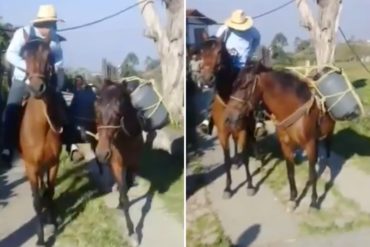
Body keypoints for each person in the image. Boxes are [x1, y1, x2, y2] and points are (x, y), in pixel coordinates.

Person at [1, 5, 66, 167]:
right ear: (38, 23)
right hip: (22, 79)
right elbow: (10, 54)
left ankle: (70, 143)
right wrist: (28, 67)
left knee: (61, 106)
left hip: (45, 80)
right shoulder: (22, 34)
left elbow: (59, 58)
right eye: (45, 23)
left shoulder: (54, 38)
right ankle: (7, 148)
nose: (47, 27)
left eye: (51, 23)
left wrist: (55, 69)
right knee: (11, 109)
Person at [200, 9, 265, 135]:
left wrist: (249, 53)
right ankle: (208, 118)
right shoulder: (224, 30)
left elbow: (256, 42)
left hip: (243, 67)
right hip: (227, 66)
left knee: (253, 88)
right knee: (217, 89)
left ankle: (258, 120)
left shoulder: (253, 32)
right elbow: (216, 45)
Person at [68, 75, 97, 162]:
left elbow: (72, 107)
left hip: (82, 120)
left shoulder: (79, 93)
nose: (78, 83)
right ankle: (76, 150)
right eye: (77, 81)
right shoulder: (76, 92)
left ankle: (75, 150)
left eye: (79, 81)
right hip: (86, 120)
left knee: (70, 131)